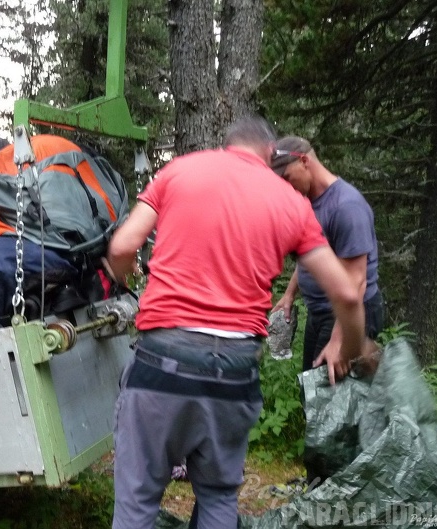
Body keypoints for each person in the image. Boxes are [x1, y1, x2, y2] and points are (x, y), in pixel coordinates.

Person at [104, 115, 366, 529]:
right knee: (218, 497)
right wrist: (348, 347)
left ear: (228, 145)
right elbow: (348, 293)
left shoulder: (179, 171)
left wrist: (127, 277)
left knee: (137, 501)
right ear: (269, 152)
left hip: (161, 364)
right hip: (234, 372)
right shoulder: (291, 203)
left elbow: (122, 245)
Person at [270, 136, 384, 372]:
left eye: (286, 178)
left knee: (328, 395)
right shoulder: (308, 202)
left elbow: (356, 280)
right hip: (321, 312)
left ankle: (385, 381)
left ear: (304, 161)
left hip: (347, 315)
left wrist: (337, 340)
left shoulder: (346, 206)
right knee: (312, 387)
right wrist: (290, 294)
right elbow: (312, 253)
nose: (285, 187)